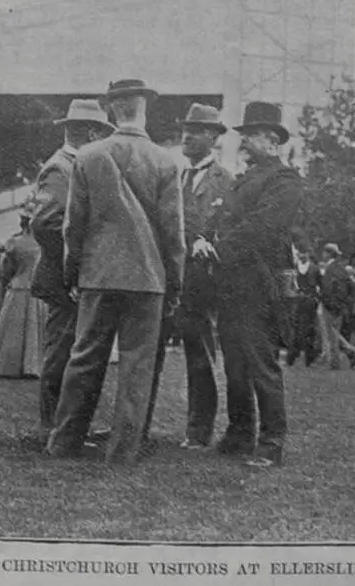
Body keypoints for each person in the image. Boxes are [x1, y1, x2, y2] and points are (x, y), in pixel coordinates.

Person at [47, 79, 185, 465]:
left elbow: (73, 225)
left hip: (99, 273)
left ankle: (63, 442)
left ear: (111, 110)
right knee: (137, 366)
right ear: (145, 109)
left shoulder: (88, 156)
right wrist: (174, 282)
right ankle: (122, 452)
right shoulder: (166, 161)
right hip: (148, 278)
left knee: (84, 358)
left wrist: (73, 271)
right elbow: (175, 234)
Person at [195, 101, 302, 468]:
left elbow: (263, 226)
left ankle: (272, 441)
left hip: (260, 283)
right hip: (231, 281)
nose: (243, 142)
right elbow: (219, 215)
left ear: (271, 141)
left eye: (250, 136)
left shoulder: (284, 180)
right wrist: (204, 238)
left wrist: (219, 247)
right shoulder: (244, 179)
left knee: (260, 361)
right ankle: (240, 433)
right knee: (235, 363)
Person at [30, 98, 115, 446]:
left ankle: (71, 426)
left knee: (77, 355)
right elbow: (48, 224)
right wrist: (75, 266)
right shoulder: (60, 168)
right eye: (96, 131)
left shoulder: (77, 166)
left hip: (76, 277)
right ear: (87, 131)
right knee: (63, 355)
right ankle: (55, 427)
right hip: (65, 280)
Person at [153, 102, 232, 449]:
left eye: (197, 130)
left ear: (213, 137)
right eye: (186, 128)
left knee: (199, 358)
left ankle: (198, 432)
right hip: (165, 279)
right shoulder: (173, 175)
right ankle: (136, 425)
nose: (187, 135)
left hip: (199, 284)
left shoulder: (226, 182)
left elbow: (224, 230)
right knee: (149, 354)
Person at [0, 211, 47, 378]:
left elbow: (7, 270)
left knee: (12, 330)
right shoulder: (44, 243)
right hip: (37, 289)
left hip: (18, 287)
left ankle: (9, 366)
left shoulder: (14, 243)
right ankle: (33, 365)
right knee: (35, 329)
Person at [286, 229, 321, 367]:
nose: (302, 255)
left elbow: (320, 285)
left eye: (305, 253)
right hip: (298, 301)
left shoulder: (314, 268)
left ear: (309, 254)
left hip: (310, 301)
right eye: (301, 253)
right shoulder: (295, 267)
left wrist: (317, 297)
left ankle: (309, 358)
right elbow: (290, 284)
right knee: (296, 329)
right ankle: (292, 356)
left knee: (309, 330)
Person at [320, 243, 355, 369]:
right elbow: (350, 286)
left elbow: (327, 289)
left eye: (324, 252)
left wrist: (325, 301)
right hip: (340, 304)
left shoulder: (330, 269)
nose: (322, 255)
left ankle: (336, 362)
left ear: (329, 254)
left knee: (332, 335)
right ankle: (348, 350)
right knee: (335, 332)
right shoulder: (342, 268)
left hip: (330, 304)